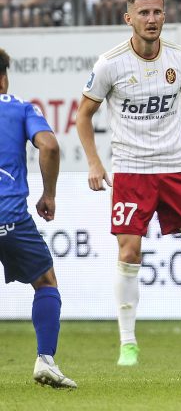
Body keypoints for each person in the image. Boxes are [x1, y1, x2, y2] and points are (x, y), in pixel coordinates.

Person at [75, 0, 181, 366]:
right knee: (130, 253)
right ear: (128, 18)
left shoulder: (180, 58)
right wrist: (95, 163)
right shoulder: (109, 63)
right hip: (132, 170)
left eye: (157, 12)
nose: (152, 19)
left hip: (176, 167)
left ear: (165, 16)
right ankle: (128, 342)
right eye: (143, 13)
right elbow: (83, 115)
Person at [0, 48, 77, 388]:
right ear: (4, 76)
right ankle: (45, 360)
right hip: (11, 216)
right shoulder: (19, 108)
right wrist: (48, 195)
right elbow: (49, 146)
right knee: (45, 281)